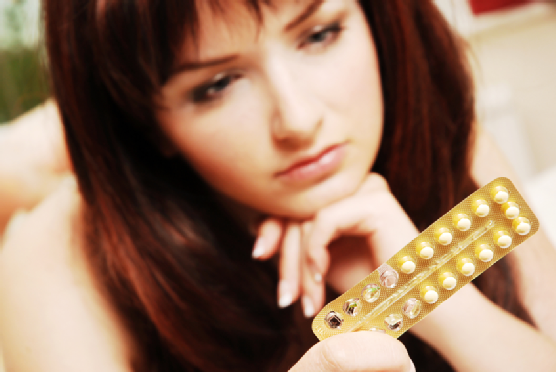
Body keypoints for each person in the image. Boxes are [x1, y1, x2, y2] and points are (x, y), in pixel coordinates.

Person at [1, 0, 556, 371]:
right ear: (149, 122)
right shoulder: (60, 254)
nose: (297, 119)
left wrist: (427, 291)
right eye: (217, 84)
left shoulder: (445, 131)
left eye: (320, 34)